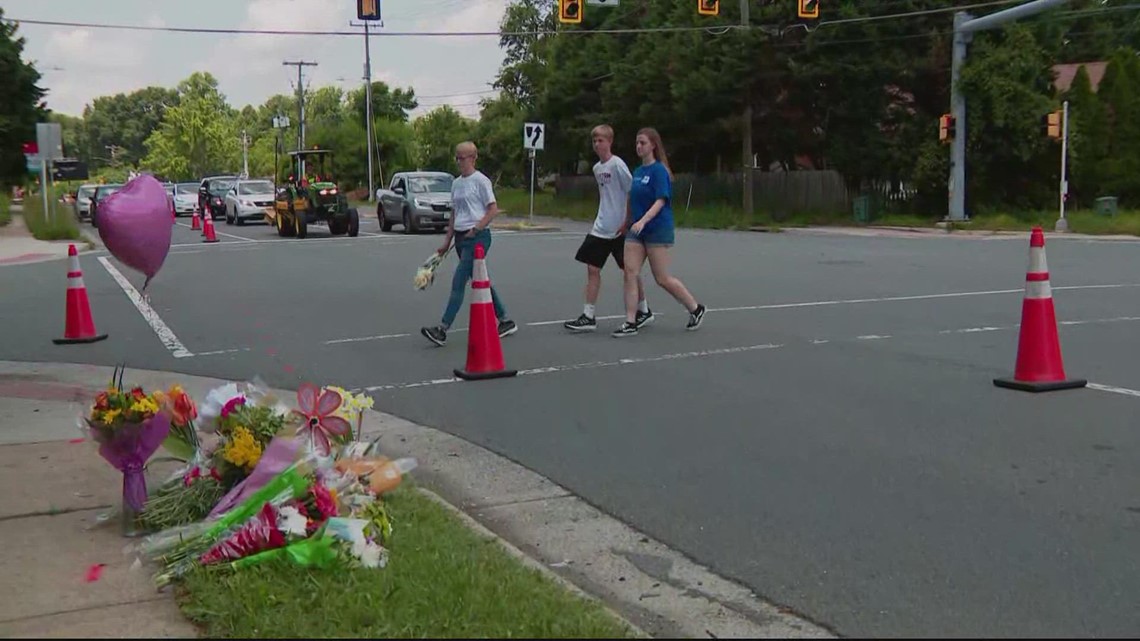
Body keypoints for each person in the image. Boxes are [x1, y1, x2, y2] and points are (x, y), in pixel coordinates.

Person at [421, 141, 517, 346]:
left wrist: (477, 228)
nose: (459, 162)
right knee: (480, 280)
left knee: (459, 281)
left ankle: (442, 329)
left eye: (462, 158)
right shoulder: (456, 183)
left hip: (477, 238)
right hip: (460, 237)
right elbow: (455, 213)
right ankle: (505, 320)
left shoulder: (481, 181)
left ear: (473, 158)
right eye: (456, 158)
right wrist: (447, 241)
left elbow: (492, 209)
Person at [613, 127, 706, 337]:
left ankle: (695, 308)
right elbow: (631, 199)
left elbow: (661, 200)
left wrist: (644, 221)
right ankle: (630, 320)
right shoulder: (638, 172)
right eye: (637, 143)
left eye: (643, 143)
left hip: (656, 229)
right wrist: (626, 222)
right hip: (636, 230)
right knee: (630, 272)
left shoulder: (659, 171)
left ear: (653, 145)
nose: (639, 146)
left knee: (662, 278)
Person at [564, 124, 652, 332]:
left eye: (601, 140)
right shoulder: (597, 169)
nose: (597, 144)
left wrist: (627, 220)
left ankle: (644, 310)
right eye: (594, 141)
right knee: (592, 268)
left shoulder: (617, 165)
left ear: (610, 142)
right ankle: (588, 315)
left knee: (629, 271)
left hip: (620, 229)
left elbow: (631, 191)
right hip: (601, 227)